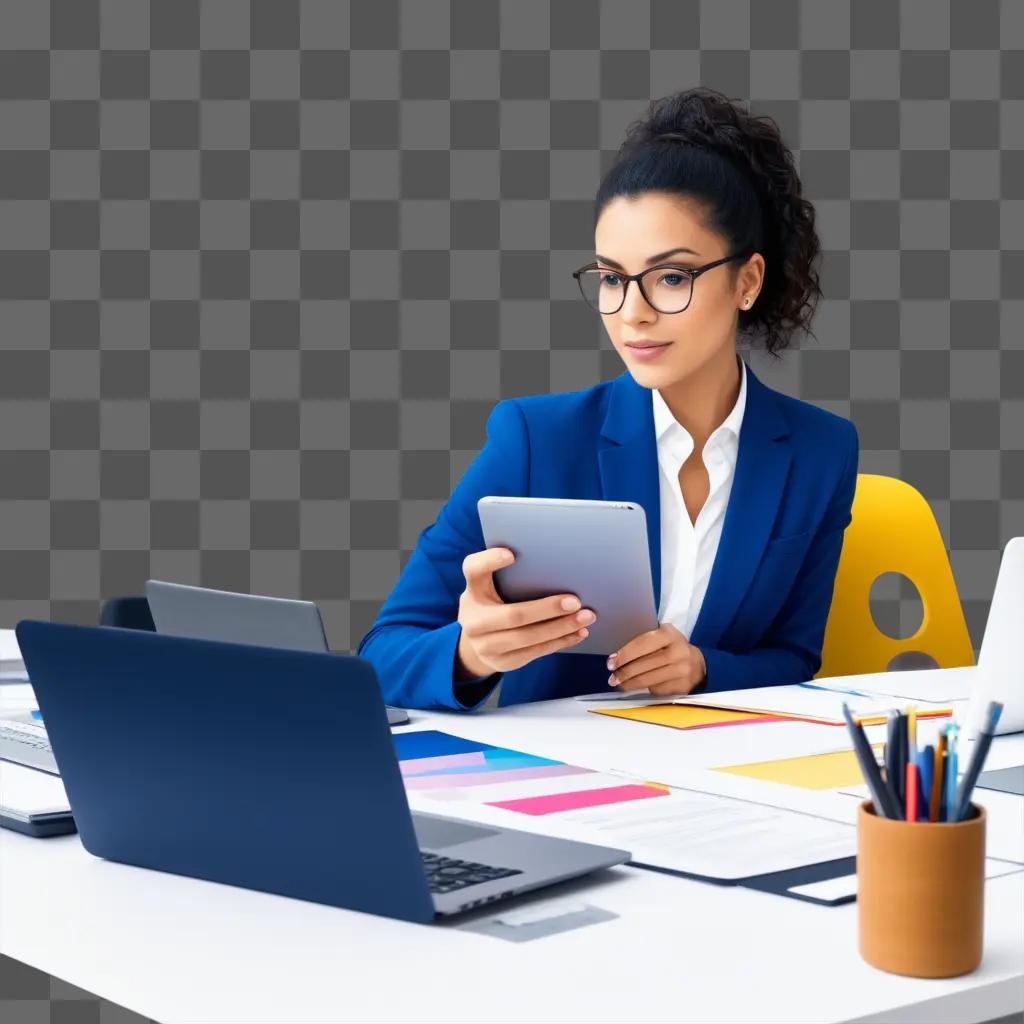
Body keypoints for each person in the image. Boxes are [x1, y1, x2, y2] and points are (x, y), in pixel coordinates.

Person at [356, 87, 859, 712]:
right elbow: (380, 654)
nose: (633, 314)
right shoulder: (537, 440)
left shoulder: (821, 451)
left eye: (672, 277)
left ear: (747, 280)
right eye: (613, 279)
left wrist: (704, 669)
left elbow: (794, 656)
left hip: (726, 775)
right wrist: (471, 653)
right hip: (566, 787)